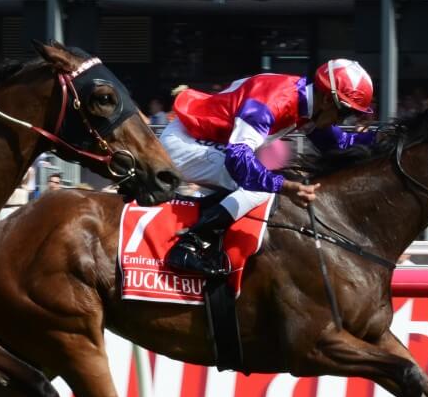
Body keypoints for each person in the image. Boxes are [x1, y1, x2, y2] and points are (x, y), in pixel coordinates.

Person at [159, 59, 374, 276]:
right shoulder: (274, 101)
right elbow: (237, 161)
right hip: (186, 142)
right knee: (259, 189)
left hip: (210, 142)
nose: (342, 121)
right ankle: (188, 245)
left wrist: (390, 137)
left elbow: (337, 144)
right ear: (328, 100)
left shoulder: (310, 104)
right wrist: (284, 186)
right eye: (344, 114)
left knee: (260, 183)